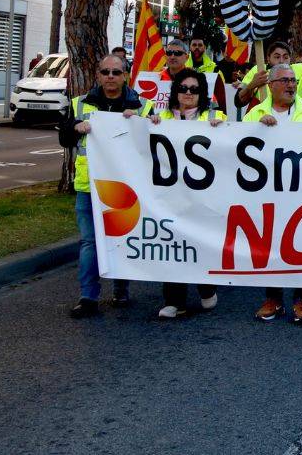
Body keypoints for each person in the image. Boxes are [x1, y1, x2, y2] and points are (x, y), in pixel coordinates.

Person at [60, 54, 154, 318]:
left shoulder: (142, 106)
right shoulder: (80, 104)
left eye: (116, 72)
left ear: (125, 75)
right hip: (89, 188)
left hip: (127, 189)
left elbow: (155, 142)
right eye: (105, 72)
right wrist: (76, 126)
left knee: (122, 239)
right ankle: (88, 296)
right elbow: (64, 137)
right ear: (98, 76)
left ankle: (121, 289)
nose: (110, 77)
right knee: (90, 242)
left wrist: (141, 123)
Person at [243, 64, 302, 324]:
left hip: (301, 190)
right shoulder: (255, 113)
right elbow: (238, 146)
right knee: (271, 244)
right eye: (285, 81)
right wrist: (259, 128)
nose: (291, 85)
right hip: (266, 191)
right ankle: (273, 299)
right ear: (271, 85)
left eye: (293, 80)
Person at [148, 69, 225, 318]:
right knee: (172, 244)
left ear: (202, 93)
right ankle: (174, 301)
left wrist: (221, 127)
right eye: (183, 88)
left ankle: (206, 288)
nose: (188, 93)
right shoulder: (161, 117)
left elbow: (228, 146)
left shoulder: (214, 115)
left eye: (194, 89)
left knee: (200, 242)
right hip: (172, 195)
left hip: (203, 195)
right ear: (175, 92)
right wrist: (145, 123)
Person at [235, 3, 302, 106]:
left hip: (293, 120)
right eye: (276, 57)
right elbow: (238, 102)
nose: (281, 60)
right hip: (267, 120)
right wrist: (252, 85)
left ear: (290, 58)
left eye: (285, 57)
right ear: (268, 59)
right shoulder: (258, 71)